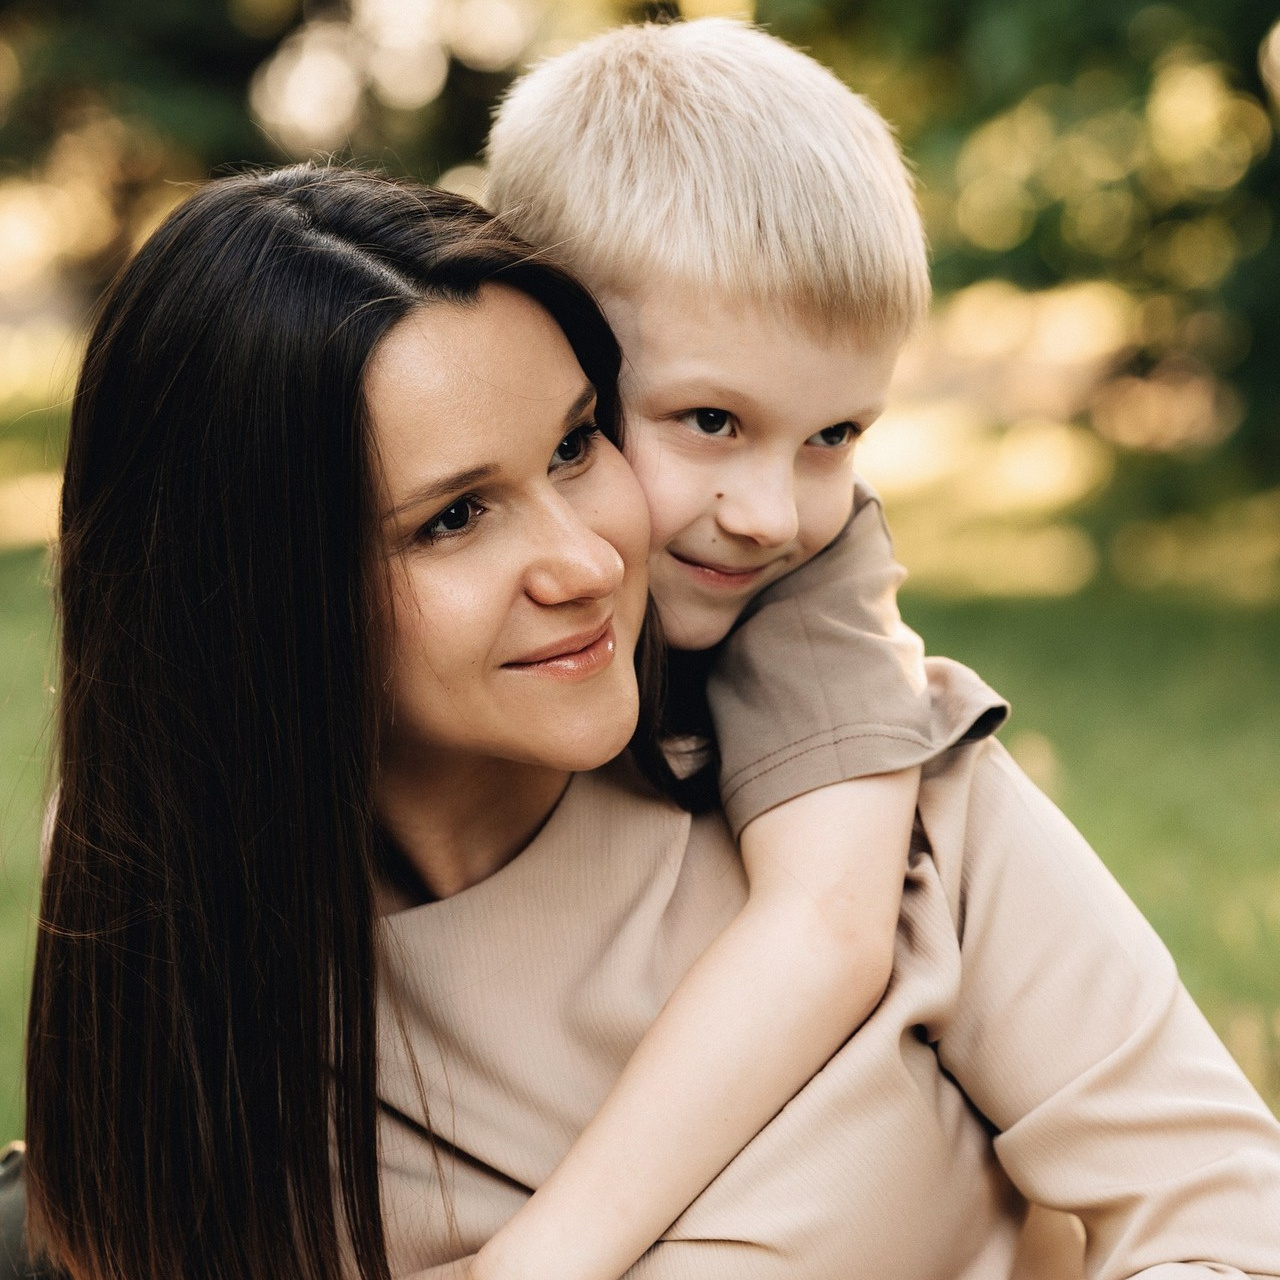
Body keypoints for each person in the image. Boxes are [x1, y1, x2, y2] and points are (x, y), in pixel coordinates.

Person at [24, 164, 1280, 1280]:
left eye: (576, 446)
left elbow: (1225, 1219)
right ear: (248, 597)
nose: (586, 557)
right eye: (454, 517)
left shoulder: (876, 789)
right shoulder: (194, 978)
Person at [440, 19, 990, 1280]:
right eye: (709, 420)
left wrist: (539, 1261)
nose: (774, 510)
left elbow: (828, 926)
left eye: (835, 431)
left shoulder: (810, 571)